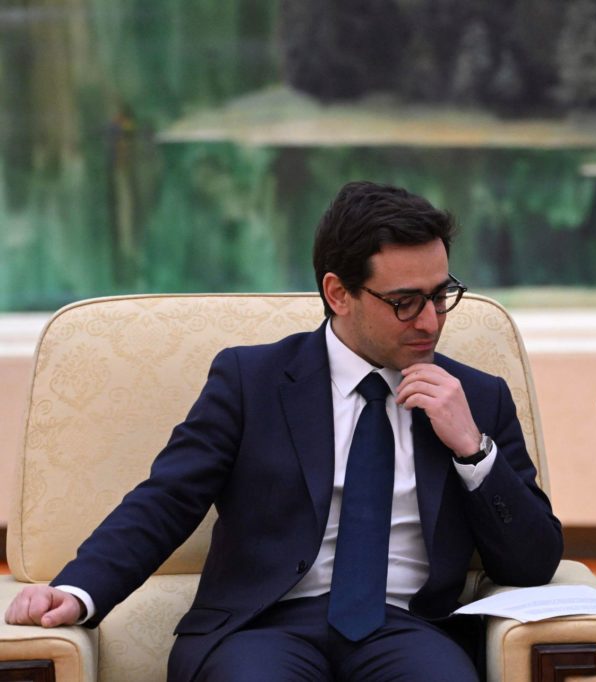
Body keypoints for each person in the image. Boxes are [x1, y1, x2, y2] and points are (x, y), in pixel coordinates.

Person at [4, 181, 564, 681]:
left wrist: (473, 451)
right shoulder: (252, 381)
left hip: (409, 629)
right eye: (404, 302)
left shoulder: (476, 397)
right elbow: (167, 500)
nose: (430, 320)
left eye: (440, 295)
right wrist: (78, 591)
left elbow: (532, 563)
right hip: (263, 627)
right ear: (338, 293)